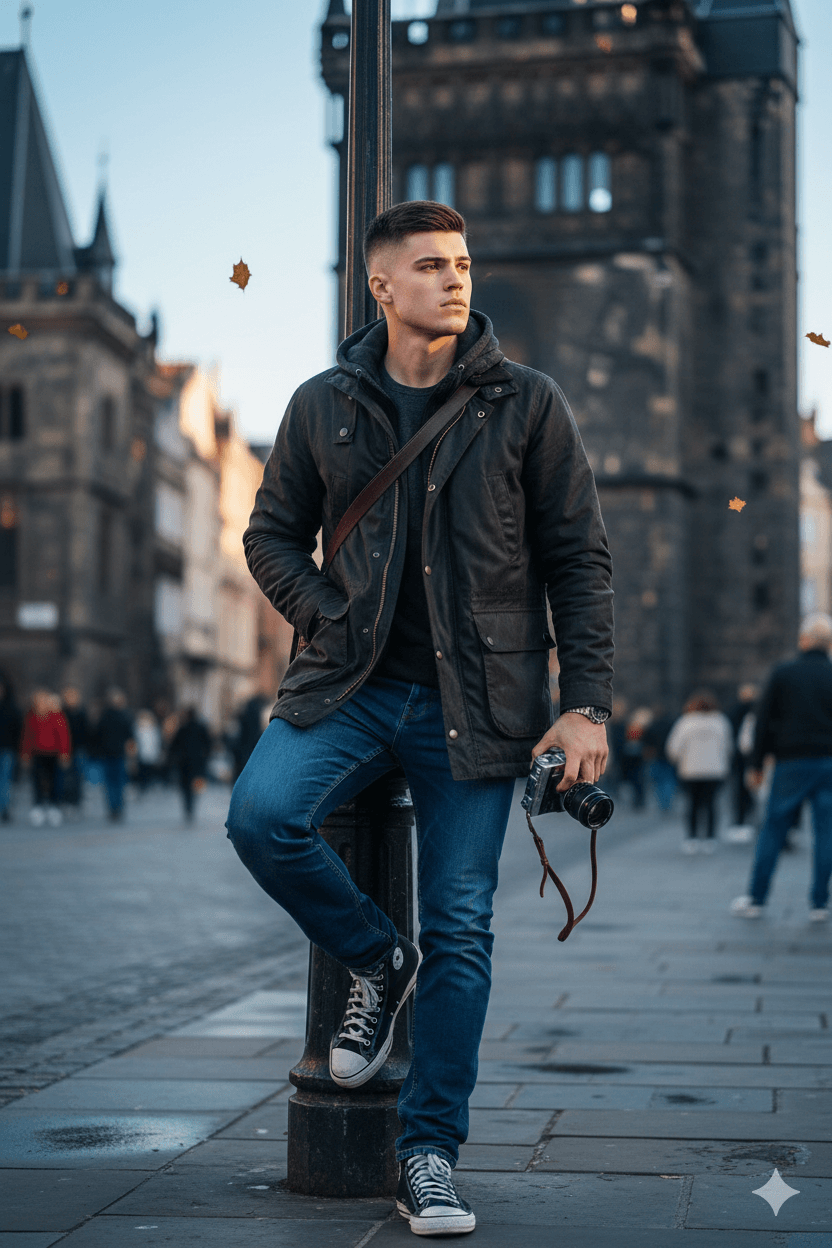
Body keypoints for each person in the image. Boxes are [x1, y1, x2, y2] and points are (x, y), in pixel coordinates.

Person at [226, 201, 614, 1236]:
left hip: (479, 705)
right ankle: (373, 956)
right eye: (431, 266)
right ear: (380, 287)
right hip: (347, 688)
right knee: (262, 818)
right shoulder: (324, 404)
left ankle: (429, 1154)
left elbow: (579, 560)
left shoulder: (526, 405)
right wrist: (325, 612)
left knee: (463, 927)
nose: (456, 279)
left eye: (464, 263)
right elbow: (269, 537)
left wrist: (582, 706)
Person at [731, 613, 832, 922]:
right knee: (826, 832)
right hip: (828, 762)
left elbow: (763, 721)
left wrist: (756, 764)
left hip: (791, 762)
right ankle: (819, 903)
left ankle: (757, 899)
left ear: (803, 641)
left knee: (773, 828)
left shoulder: (783, 672)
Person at [666, 691, 733, 853]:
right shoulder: (720, 721)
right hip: (714, 770)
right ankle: (710, 838)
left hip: (690, 769)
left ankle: (692, 838)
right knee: (711, 804)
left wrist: (675, 760)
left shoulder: (685, 722)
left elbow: (673, 747)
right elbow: (728, 746)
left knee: (692, 805)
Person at [20, 690, 70, 826]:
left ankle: (55, 807)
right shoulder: (31, 717)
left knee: (55, 781)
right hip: (37, 753)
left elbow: (63, 735)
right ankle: (38, 807)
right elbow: (27, 737)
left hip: (54, 754)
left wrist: (64, 752)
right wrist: (25, 754)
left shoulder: (56, 715)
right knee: (37, 781)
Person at [93, 688, 135, 822]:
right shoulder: (125, 716)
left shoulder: (104, 716)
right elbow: (130, 736)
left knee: (110, 784)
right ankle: (119, 808)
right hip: (119, 754)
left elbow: (97, 735)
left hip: (107, 754)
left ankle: (113, 808)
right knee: (119, 783)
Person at [724, 682, 758, 842]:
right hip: (757, 757)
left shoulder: (734, 711)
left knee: (739, 791)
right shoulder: (760, 709)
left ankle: (740, 823)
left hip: (739, 758)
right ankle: (755, 822)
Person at [168, 706, 211, 821]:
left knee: (185, 787)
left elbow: (174, 745)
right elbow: (208, 744)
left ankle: (188, 807)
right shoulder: (201, 728)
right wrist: (205, 756)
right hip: (197, 762)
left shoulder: (183, 728)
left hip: (184, 762)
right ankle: (191, 806)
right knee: (195, 786)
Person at [641, 703, 678, 814]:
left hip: (656, 756)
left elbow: (646, 741)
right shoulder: (671, 725)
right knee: (669, 780)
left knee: (658, 782)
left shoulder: (652, 725)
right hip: (669, 756)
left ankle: (662, 803)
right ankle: (668, 802)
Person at [60, 686, 90, 812]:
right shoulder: (61, 713)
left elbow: (87, 731)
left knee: (78, 776)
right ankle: (66, 800)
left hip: (79, 748)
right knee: (66, 777)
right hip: (65, 750)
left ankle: (77, 801)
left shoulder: (82, 713)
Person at [0, 677, 22, 821]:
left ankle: (4, 809)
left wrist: (18, 750)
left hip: (7, 749)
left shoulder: (12, 708)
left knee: (4, 781)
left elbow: (18, 731)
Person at [134, 709, 163, 793]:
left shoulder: (154, 729)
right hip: (141, 754)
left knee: (150, 772)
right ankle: (142, 787)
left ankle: (148, 786)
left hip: (151, 754)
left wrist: (157, 752)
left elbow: (157, 742)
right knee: (142, 772)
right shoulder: (137, 729)